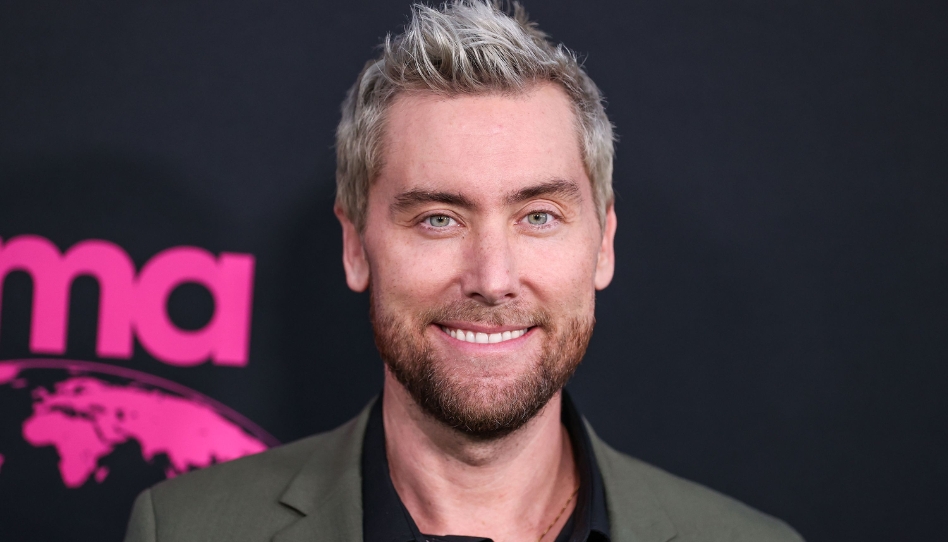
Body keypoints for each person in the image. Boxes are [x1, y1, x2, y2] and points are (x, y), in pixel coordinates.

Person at [124, 2, 803, 541]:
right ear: (355, 246)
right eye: (438, 219)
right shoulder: (185, 530)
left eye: (538, 216)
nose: (492, 277)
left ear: (604, 245)